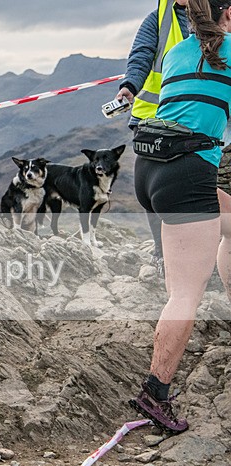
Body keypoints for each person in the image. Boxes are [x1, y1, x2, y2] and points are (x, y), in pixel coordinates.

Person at [130, 0, 231, 433]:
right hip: (187, 172)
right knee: (186, 295)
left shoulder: (178, 52)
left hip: (149, 169)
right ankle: (156, 394)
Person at [116, 0, 191, 273]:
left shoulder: (221, 15)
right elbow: (141, 54)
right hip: (153, 118)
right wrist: (129, 86)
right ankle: (162, 254)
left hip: (200, 118)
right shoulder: (158, 19)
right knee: (154, 189)